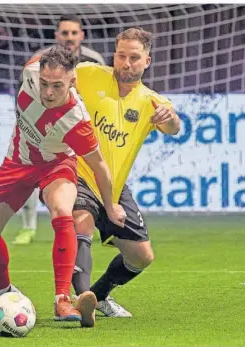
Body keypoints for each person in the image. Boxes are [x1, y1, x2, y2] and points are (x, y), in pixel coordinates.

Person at [0, 45, 126, 328]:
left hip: (56, 165)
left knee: (61, 211)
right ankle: (1, 292)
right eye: (44, 84)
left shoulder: (76, 120)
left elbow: (100, 166)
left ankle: (62, 299)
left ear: (72, 81)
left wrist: (110, 204)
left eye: (57, 85)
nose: (48, 93)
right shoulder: (30, 69)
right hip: (17, 161)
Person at [71, 27, 181, 317]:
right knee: (80, 222)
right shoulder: (88, 74)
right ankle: (80, 302)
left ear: (147, 61)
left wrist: (169, 119)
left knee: (141, 256)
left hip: (114, 187)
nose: (126, 63)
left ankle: (97, 296)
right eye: (121, 55)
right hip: (77, 171)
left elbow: (174, 128)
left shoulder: (151, 101)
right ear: (114, 55)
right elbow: (55, 80)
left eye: (134, 57)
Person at [13, 14, 106, 245]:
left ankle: (98, 223)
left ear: (81, 35)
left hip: (78, 126)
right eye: (65, 33)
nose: (69, 38)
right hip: (42, 126)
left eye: (74, 33)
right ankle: (28, 228)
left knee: (95, 170)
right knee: (30, 173)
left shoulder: (94, 60)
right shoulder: (42, 59)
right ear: (57, 36)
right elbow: (24, 90)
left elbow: (103, 94)